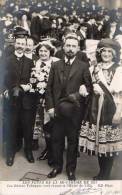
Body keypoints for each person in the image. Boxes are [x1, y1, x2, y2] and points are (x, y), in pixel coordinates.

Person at [45, 33, 92, 180]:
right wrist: (50, 107)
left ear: (78, 48)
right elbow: (49, 89)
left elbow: (89, 88)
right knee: (56, 139)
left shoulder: (84, 66)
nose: (70, 48)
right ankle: (57, 167)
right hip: (57, 110)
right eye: (68, 45)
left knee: (72, 141)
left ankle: (71, 169)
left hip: (74, 110)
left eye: (73, 46)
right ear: (63, 47)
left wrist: (84, 90)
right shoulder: (55, 65)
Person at [79, 38, 122, 180]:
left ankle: (105, 175)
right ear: (99, 52)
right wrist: (85, 88)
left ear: (115, 54)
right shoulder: (93, 69)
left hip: (112, 110)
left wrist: (118, 113)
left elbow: (120, 95)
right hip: (95, 110)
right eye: (104, 51)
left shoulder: (119, 70)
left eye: (110, 51)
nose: (107, 54)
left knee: (109, 145)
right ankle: (102, 173)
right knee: (100, 143)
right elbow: (87, 86)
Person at [3, 36, 37, 166]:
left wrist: (29, 85)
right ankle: (10, 154)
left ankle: (28, 152)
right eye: (18, 43)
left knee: (28, 127)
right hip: (11, 99)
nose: (20, 46)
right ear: (14, 43)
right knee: (12, 126)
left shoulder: (30, 62)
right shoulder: (6, 60)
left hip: (27, 100)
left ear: (25, 45)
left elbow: (34, 80)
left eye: (23, 44)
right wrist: (4, 90)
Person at [30, 40, 59, 165]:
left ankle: (54, 151)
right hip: (39, 99)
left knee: (53, 125)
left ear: (50, 52)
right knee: (44, 125)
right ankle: (48, 148)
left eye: (45, 51)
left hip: (52, 99)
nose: (42, 53)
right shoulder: (35, 63)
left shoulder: (56, 62)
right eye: (40, 51)